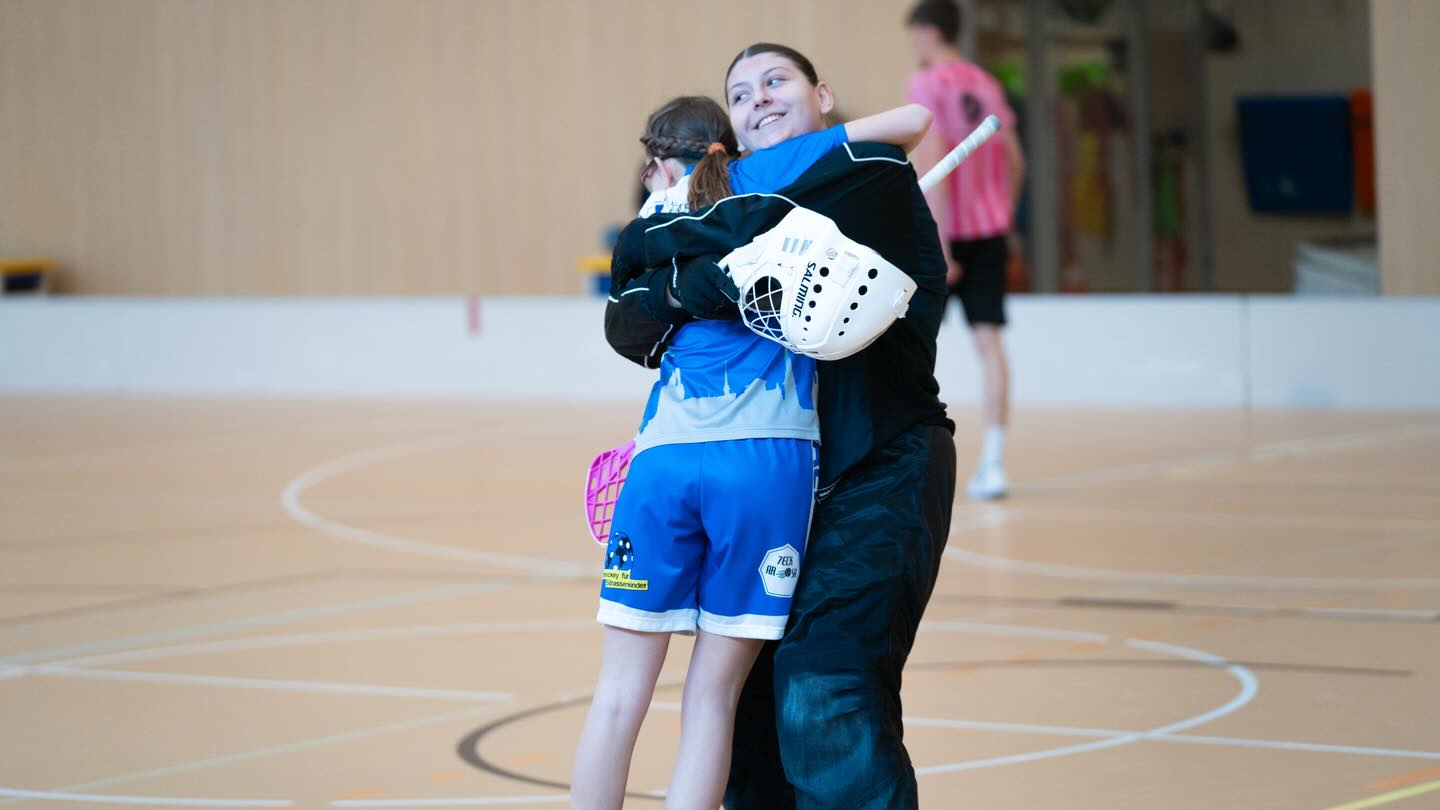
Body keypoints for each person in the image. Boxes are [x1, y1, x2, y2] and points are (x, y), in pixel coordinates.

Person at [603, 43, 958, 810]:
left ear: (823, 96)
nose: (759, 97)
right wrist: (696, 275)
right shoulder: (734, 199)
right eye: (740, 92)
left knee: (822, 689)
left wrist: (687, 275)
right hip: (776, 488)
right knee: (746, 717)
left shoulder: (869, 170)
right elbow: (627, 321)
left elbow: (676, 274)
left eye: (777, 81)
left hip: (879, 470)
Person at [906, 0, 1027, 500]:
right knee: (990, 344)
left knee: (911, 350)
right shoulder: (986, 83)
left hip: (946, 236)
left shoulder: (927, 84)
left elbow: (933, 161)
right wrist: (1004, 213)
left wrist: (940, 243)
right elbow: (1017, 160)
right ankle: (994, 463)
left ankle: (908, 462)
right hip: (990, 230)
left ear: (929, 33)